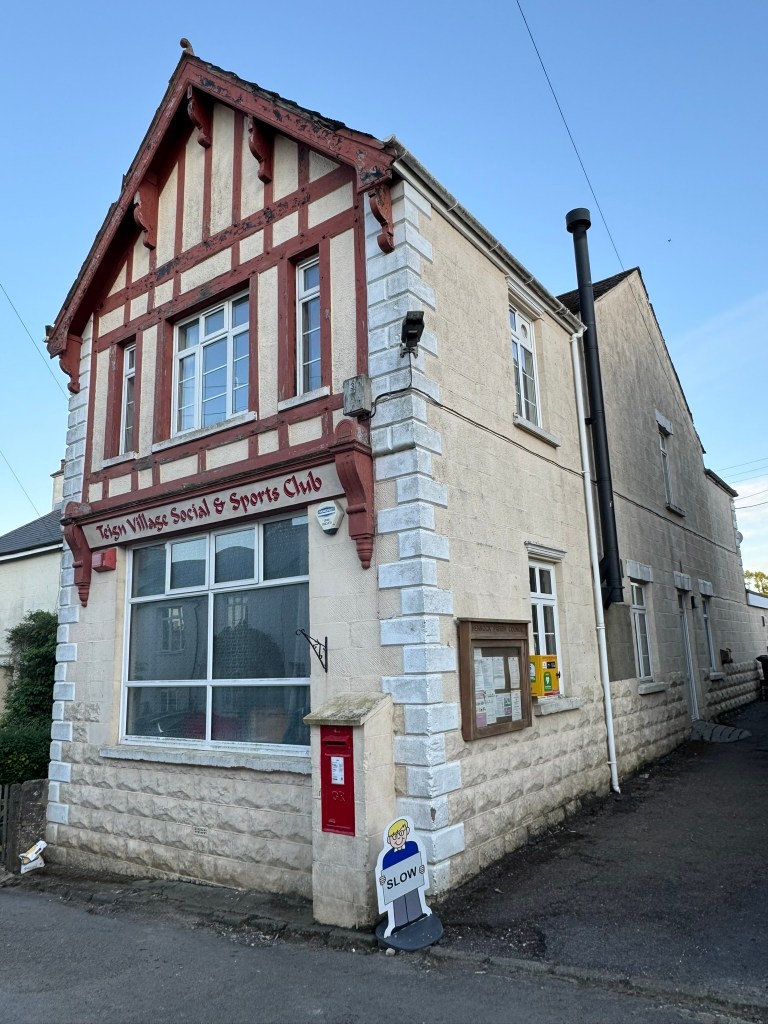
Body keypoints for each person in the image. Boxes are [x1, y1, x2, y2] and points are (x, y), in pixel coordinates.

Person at [379, 818, 425, 931]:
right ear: (389, 840)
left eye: (401, 834)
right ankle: (398, 923)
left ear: (407, 832)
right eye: (394, 837)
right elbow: (384, 873)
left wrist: (421, 869)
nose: (398, 838)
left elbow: (418, 861)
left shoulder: (412, 846)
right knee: (398, 901)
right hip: (395, 884)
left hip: (411, 879)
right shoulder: (387, 857)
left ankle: (417, 914)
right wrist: (382, 881)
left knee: (412, 895)